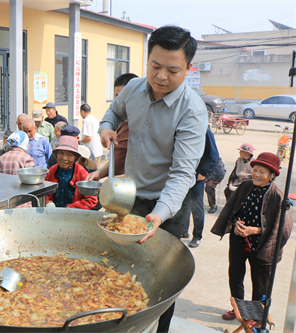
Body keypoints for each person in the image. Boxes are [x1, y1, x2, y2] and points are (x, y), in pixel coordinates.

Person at [97, 25, 207, 332]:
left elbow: (182, 173)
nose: (161, 77)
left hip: (167, 207)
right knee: (118, 263)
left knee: (160, 279)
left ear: (188, 69)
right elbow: (113, 113)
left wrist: (157, 217)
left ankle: (160, 328)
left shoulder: (192, 111)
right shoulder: (133, 89)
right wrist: (106, 127)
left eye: (172, 70)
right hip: (127, 197)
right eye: (155, 66)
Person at [211, 152, 292, 321]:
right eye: (255, 170)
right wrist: (236, 223)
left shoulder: (277, 196)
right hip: (239, 240)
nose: (256, 174)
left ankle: (255, 315)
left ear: (271, 176)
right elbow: (232, 209)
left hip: (261, 246)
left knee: (260, 282)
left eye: (262, 172)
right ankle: (237, 308)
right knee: (235, 274)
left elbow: (282, 228)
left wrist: (254, 230)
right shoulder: (246, 186)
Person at [85, 73, 139, 180]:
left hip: (133, 190)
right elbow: (118, 158)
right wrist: (99, 173)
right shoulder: (120, 122)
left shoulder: (143, 124)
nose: (119, 101)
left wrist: (123, 179)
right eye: (116, 96)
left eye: (123, 95)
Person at [181, 128, 219, 248]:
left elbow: (214, 156)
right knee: (184, 203)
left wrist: (203, 172)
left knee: (196, 206)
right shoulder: (182, 127)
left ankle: (197, 236)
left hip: (198, 176)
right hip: (183, 174)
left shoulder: (204, 131)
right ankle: (183, 231)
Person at [45, 135, 98, 209]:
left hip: (74, 216)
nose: (64, 158)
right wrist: (48, 202)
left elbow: (91, 200)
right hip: (53, 214)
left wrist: (72, 207)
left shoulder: (82, 174)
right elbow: (43, 193)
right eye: (61, 153)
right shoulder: (51, 171)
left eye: (69, 155)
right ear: (56, 154)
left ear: (76, 157)